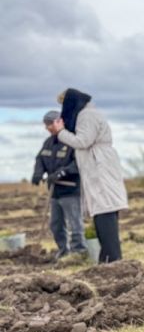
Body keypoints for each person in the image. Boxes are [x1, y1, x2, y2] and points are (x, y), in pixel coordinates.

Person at [50, 88, 128, 263]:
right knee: (101, 209)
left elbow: (82, 141)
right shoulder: (88, 114)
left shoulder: (87, 116)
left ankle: (112, 258)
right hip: (96, 164)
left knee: (105, 208)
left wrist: (61, 132)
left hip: (99, 166)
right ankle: (109, 257)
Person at [31, 110, 85, 260]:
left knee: (75, 224)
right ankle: (63, 251)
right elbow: (40, 158)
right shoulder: (48, 142)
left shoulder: (71, 141)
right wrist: (38, 173)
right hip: (54, 192)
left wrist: (62, 172)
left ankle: (79, 252)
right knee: (55, 225)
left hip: (70, 190)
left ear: (58, 122)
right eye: (46, 125)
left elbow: (79, 163)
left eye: (49, 124)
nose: (47, 127)